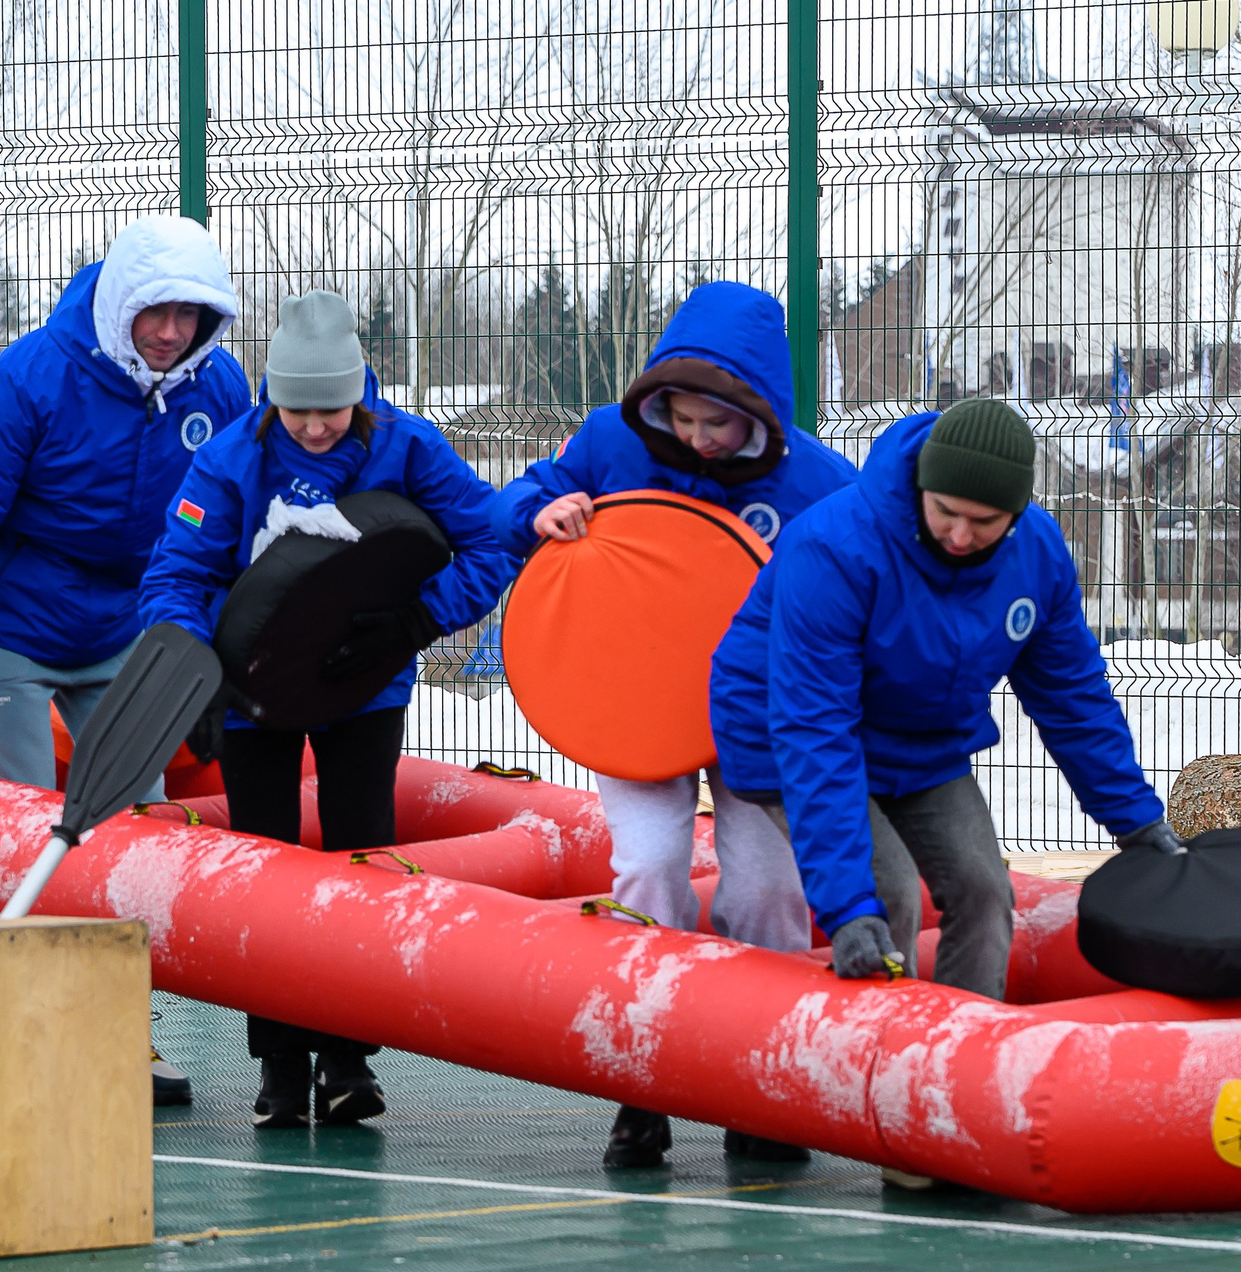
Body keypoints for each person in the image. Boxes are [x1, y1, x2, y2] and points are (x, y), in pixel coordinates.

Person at [716, 400, 1178, 1179]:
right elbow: (815, 729)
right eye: (946, 513)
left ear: (1017, 514)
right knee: (886, 897)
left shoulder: (1036, 555)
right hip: (786, 725)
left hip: (922, 739)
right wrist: (847, 907)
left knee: (985, 891)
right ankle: (875, 1104)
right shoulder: (836, 547)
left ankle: (959, 1089)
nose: (962, 535)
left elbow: (1071, 693)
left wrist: (1136, 821)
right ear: (921, 489)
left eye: (984, 521)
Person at [492, 281, 860, 1169]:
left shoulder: (816, 483)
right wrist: (538, 511)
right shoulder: (612, 440)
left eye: (718, 424)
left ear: (760, 413)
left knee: (768, 889)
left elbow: (863, 583)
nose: (699, 439)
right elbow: (523, 497)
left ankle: (764, 1082)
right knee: (649, 868)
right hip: (635, 701)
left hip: (761, 717)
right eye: (684, 418)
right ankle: (642, 1078)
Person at [139, 291, 519, 1129]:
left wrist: (418, 620)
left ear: (360, 394)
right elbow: (178, 572)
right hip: (253, 689)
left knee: (360, 860)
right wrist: (194, 668)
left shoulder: (408, 446)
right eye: (297, 410)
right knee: (264, 870)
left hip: (364, 681)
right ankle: (279, 1063)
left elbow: (492, 539)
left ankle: (347, 1059)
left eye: (332, 410)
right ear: (272, 398)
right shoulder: (232, 457)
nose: (314, 427)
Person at [0, 214, 250, 1108]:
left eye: (189, 314)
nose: (170, 332)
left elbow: (236, 527)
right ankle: (20, 1032)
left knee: (131, 833)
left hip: (129, 628)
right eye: (154, 312)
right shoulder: (33, 376)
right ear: (120, 304)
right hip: (15, 629)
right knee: (27, 827)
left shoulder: (219, 386)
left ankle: (120, 1033)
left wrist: (214, 659)